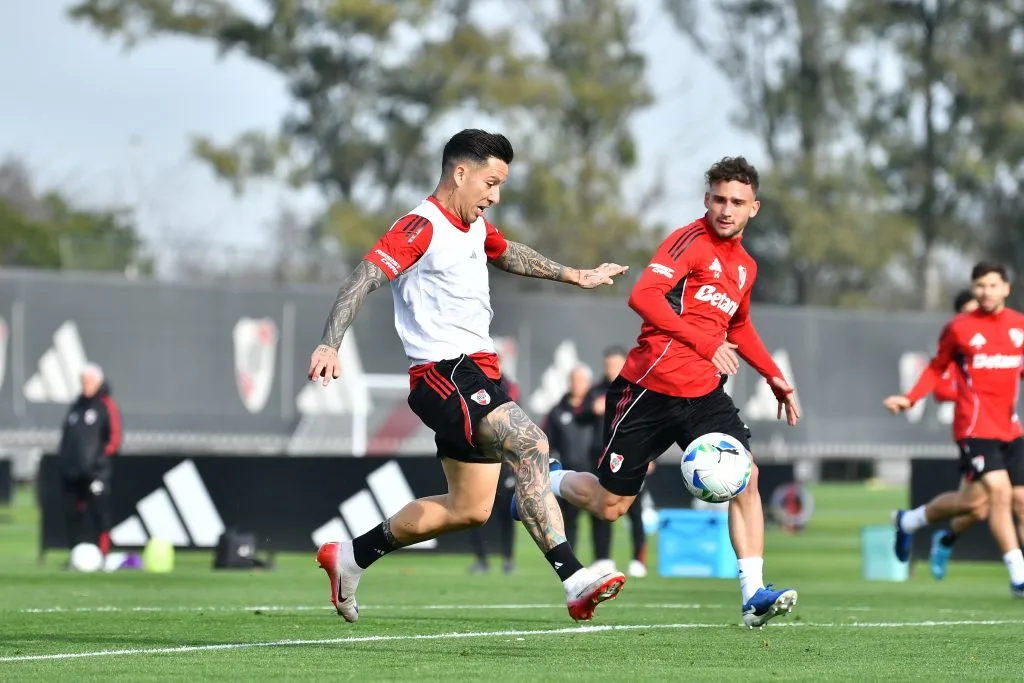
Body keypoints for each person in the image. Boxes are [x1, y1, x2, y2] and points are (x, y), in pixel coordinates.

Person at [308, 129, 630, 623]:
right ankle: (573, 578)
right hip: (444, 373)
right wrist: (330, 342)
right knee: (530, 442)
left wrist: (574, 275)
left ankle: (350, 556)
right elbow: (363, 277)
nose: (495, 196)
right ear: (460, 173)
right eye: (490, 182)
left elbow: (508, 253)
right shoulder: (421, 226)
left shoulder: (475, 226)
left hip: (477, 375)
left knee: (469, 509)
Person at [514, 157, 801, 627]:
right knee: (611, 507)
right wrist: (706, 342)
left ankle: (753, 594)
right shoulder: (688, 241)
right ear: (707, 200)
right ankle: (544, 480)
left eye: (738, 203)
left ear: (755, 208)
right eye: (719, 199)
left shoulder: (745, 266)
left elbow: (741, 326)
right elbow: (643, 296)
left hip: (704, 395)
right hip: (647, 389)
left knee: (746, 477)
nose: (727, 210)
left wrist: (774, 376)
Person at [884, 262, 1024, 597]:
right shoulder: (959, 328)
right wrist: (910, 398)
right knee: (1000, 493)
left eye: (992, 285)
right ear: (974, 289)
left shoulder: (1019, 326)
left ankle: (910, 521)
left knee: (983, 504)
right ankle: (1018, 576)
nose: (985, 292)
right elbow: (936, 368)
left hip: (1010, 428)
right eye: (980, 286)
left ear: (1006, 288)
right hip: (975, 427)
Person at [920, 290, 990, 579]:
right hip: (974, 433)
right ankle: (918, 525)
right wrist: (973, 389)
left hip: (1003, 433)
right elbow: (941, 389)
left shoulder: (993, 344)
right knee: (977, 506)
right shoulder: (956, 349)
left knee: (981, 508)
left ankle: (944, 539)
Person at [584, 346, 651, 578]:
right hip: (601, 457)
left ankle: (638, 559)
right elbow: (586, 410)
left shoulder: (638, 388)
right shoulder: (597, 390)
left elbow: (653, 425)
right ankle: (603, 559)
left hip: (631, 456)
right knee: (600, 506)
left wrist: (650, 456)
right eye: (607, 365)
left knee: (635, 510)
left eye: (615, 365)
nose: (610, 369)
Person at [58, 363, 122, 559]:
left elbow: (114, 439)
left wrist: (98, 463)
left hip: (95, 473)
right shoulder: (77, 407)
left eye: (89, 381)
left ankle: (103, 554)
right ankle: (76, 555)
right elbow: (68, 438)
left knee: (99, 512)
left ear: (98, 381)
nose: (85, 385)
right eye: (83, 381)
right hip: (73, 472)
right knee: (73, 515)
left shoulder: (105, 405)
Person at [468, 378, 520, 575]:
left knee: (506, 513)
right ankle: (481, 559)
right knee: (474, 513)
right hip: (478, 460)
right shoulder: (471, 382)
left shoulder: (509, 386)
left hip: (503, 461)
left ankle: (508, 559)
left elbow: (511, 417)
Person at [543, 364, 595, 550]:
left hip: (594, 471)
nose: (576, 384)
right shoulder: (557, 410)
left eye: (581, 380)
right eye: (573, 380)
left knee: (600, 518)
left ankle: (602, 561)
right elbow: (545, 440)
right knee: (567, 520)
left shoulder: (598, 410)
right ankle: (570, 561)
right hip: (567, 475)